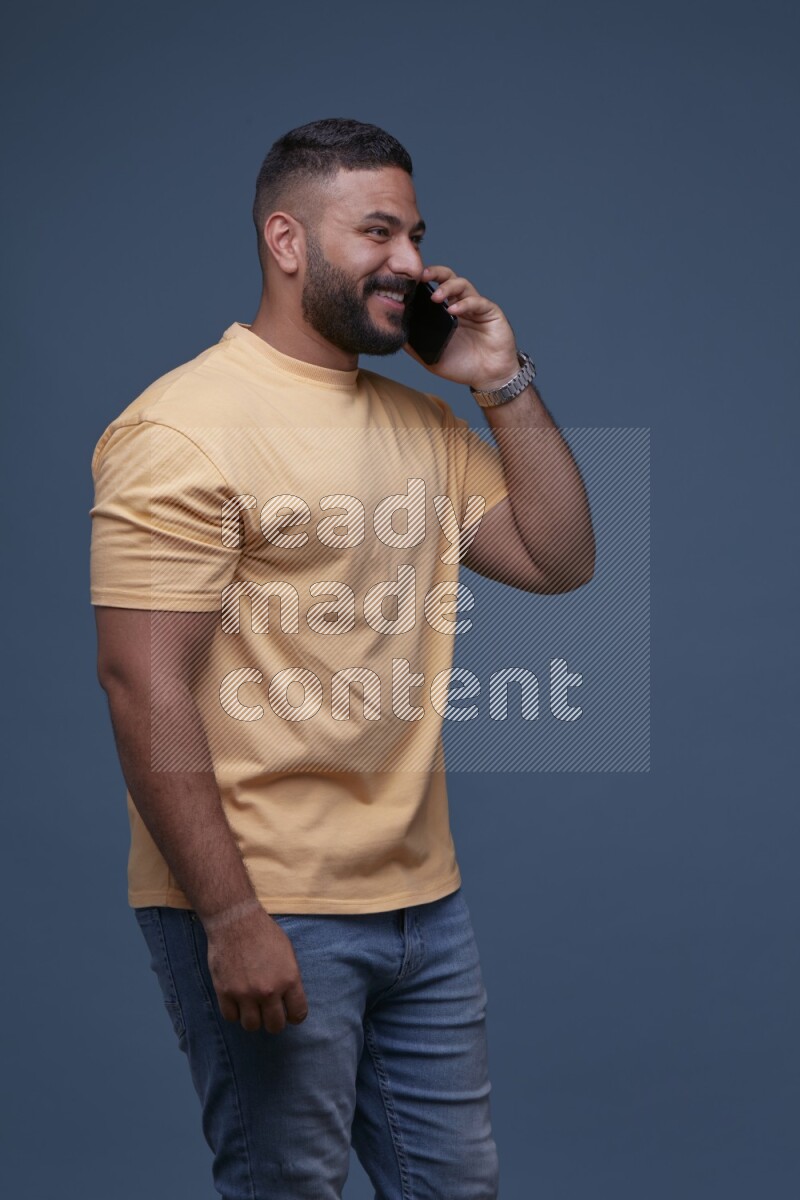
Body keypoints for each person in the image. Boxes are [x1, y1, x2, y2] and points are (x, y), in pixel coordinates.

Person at [90, 117, 595, 1200]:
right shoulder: (183, 430)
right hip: (266, 899)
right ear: (286, 240)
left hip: (424, 903)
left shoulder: (419, 426)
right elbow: (141, 685)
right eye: (376, 232)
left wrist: (500, 384)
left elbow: (559, 561)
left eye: (413, 234)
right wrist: (229, 917)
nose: (410, 264)